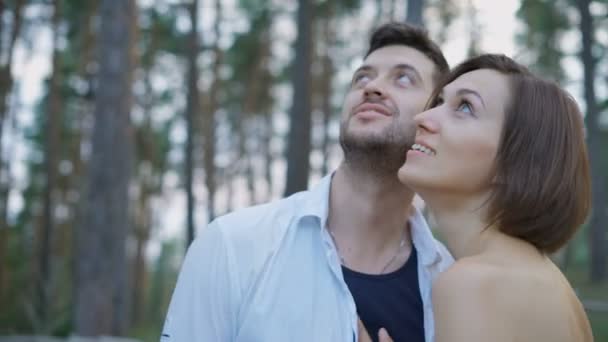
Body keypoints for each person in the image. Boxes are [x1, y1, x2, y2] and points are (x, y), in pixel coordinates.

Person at [161, 22, 453, 342]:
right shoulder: (233, 246)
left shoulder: (449, 284)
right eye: (363, 77)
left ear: (434, 119)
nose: (372, 87)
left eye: (403, 78)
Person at [397, 54, 594, 342]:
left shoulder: (474, 283)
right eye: (439, 102)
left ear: (516, 160)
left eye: (465, 107)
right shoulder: (556, 291)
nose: (422, 118)